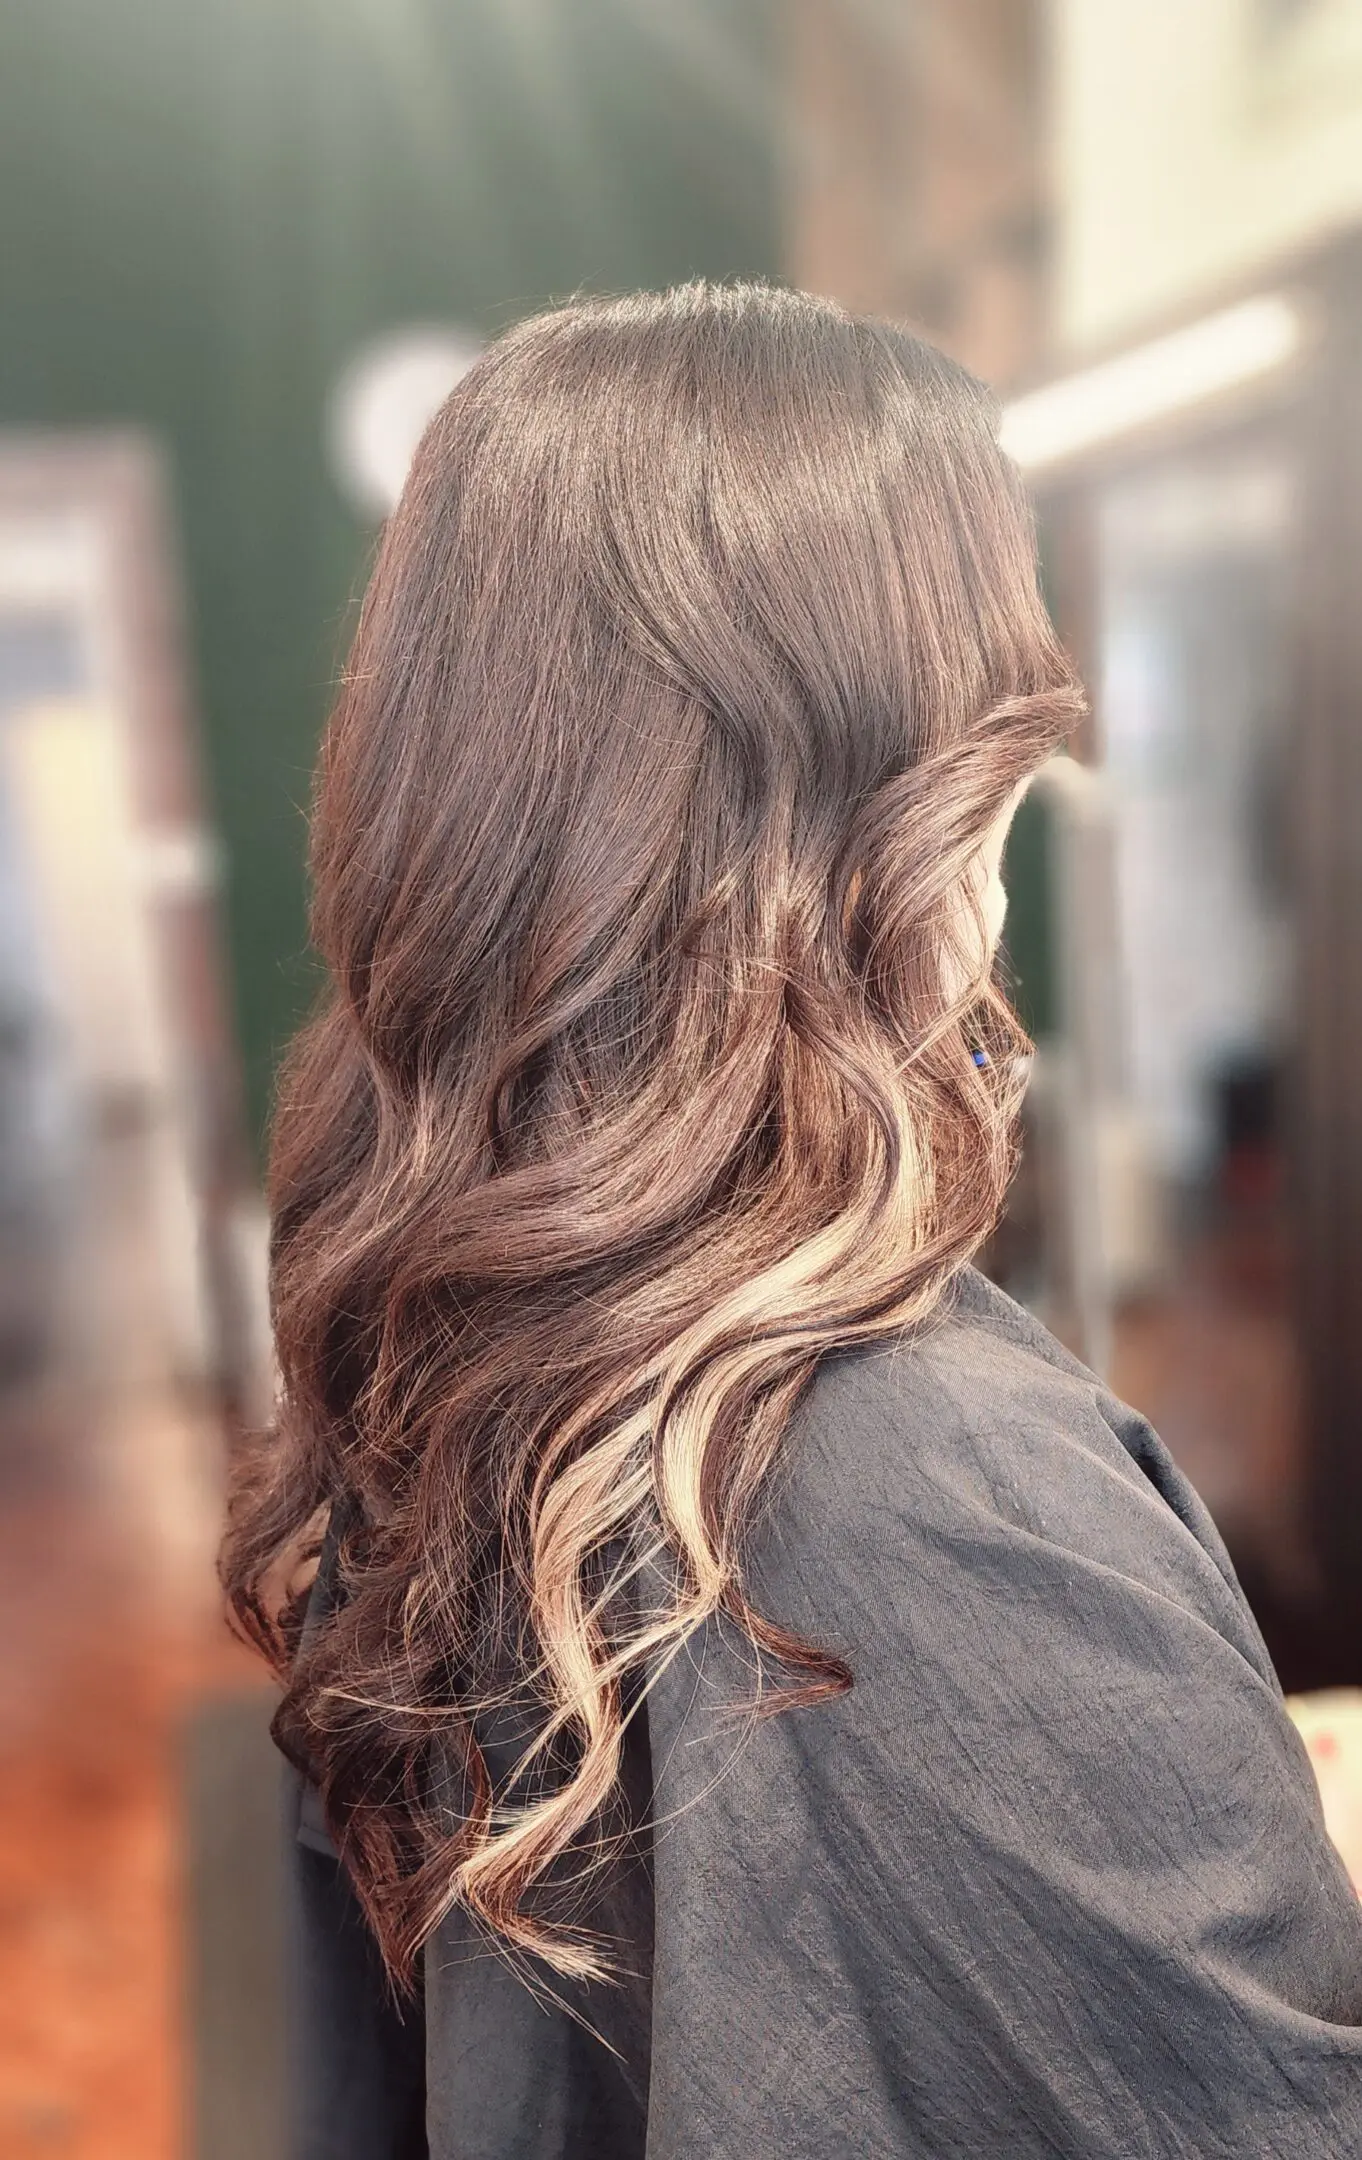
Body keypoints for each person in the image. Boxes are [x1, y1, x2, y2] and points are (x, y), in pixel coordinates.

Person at [222, 283, 1362, 2159]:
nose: (998, 870)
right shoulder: (924, 1483)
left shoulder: (454, 1346)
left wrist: (1154, 1761)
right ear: (880, 810)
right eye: (993, 768)